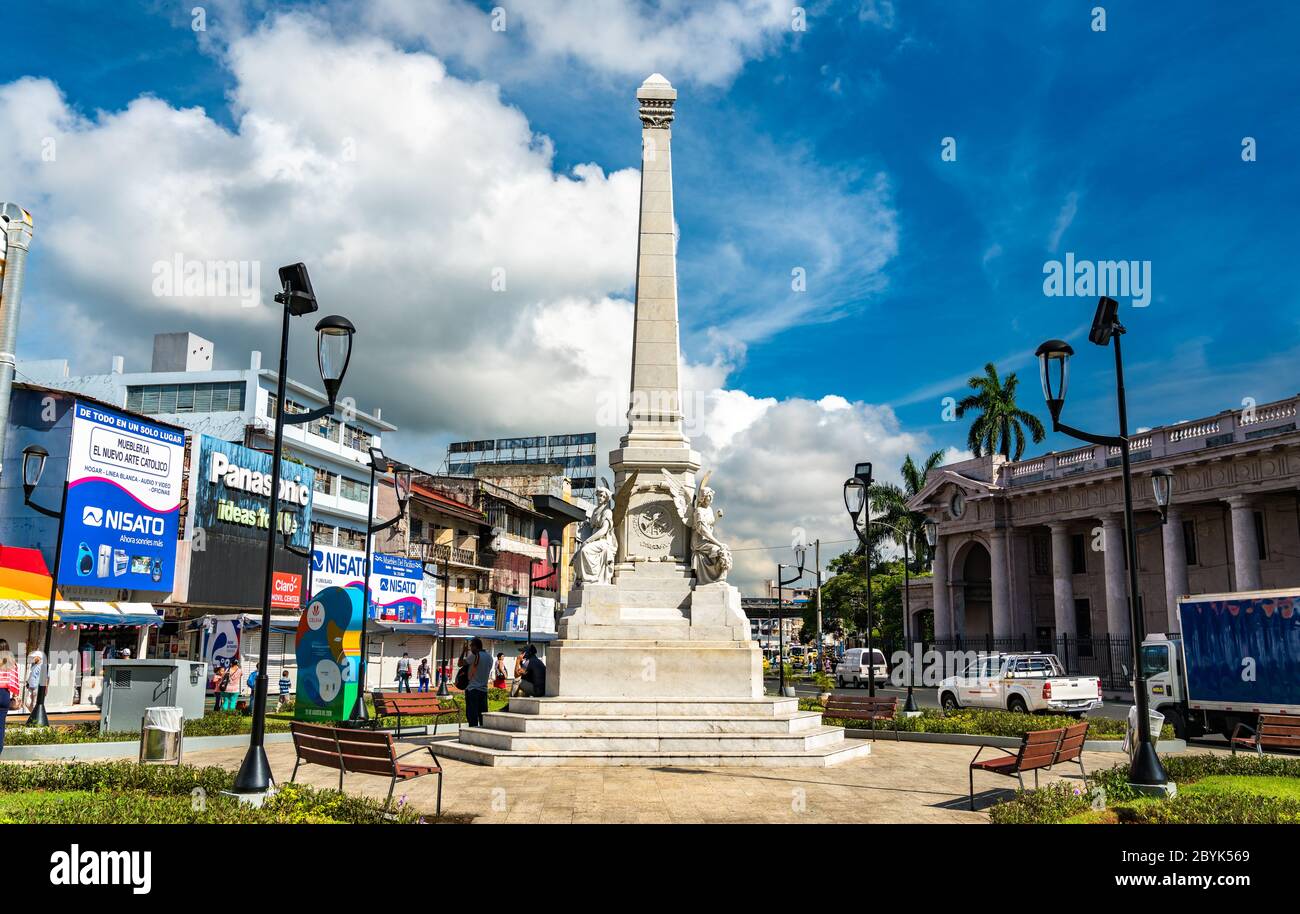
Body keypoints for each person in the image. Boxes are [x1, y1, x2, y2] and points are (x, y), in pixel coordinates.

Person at [464, 637, 492, 727]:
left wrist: (463, 652)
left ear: (475, 646)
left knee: (472, 716)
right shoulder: (489, 657)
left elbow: (460, 663)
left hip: (472, 689)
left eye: (471, 646)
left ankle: (472, 734)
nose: (470, 648)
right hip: (483, 690)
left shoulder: (475, 655)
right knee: (482, 715)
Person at [0, 652, 19, 754]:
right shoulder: (11, 662)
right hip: (4, 694)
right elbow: (15, 680)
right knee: (1, 726)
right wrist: (15, 696)